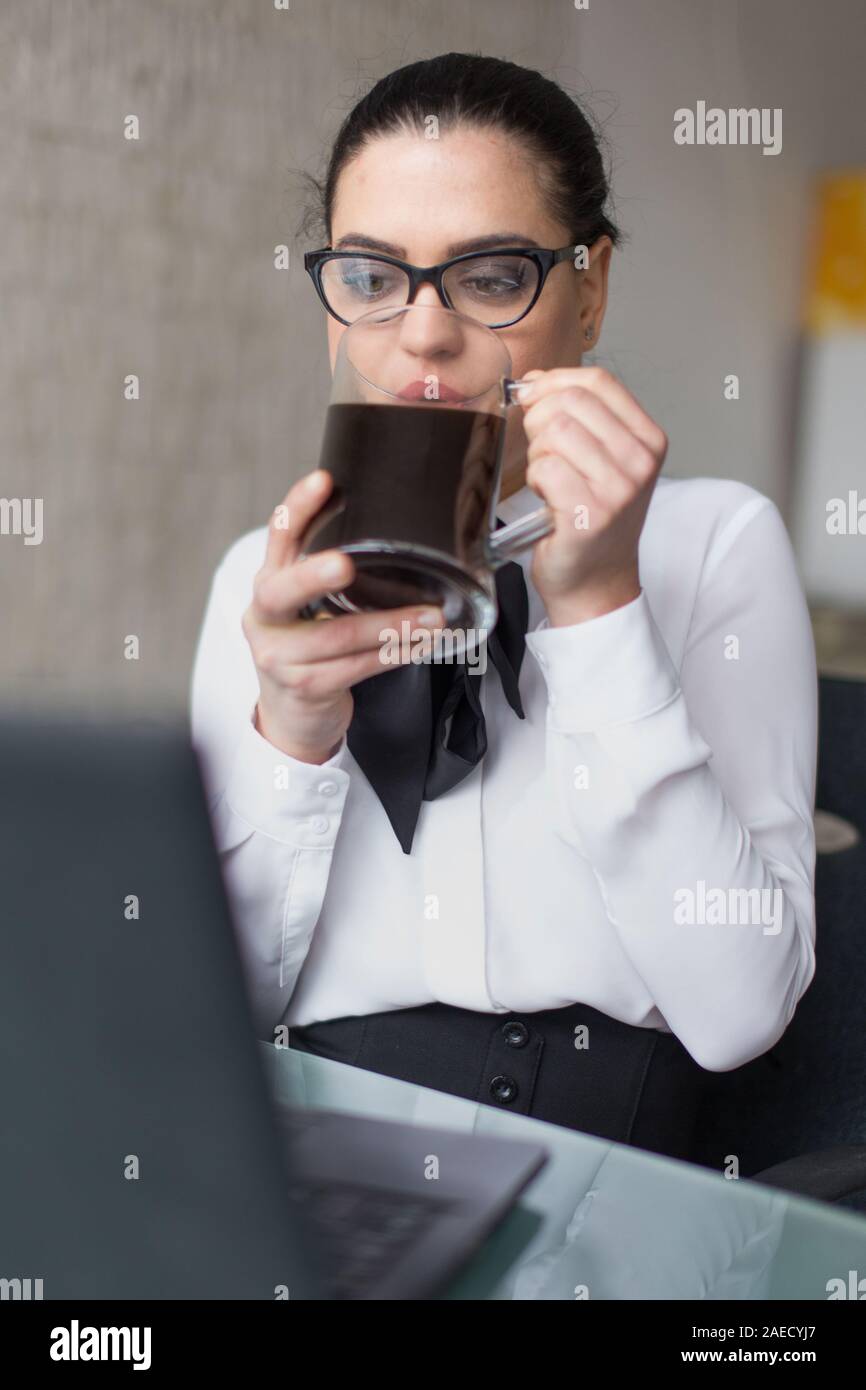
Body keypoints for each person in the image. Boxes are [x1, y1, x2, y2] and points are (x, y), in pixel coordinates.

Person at [191, 53, 817, 1162]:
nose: (422, 335)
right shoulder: (267, 579)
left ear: (590, 287)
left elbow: (736, 1014)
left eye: (487, 276)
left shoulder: (716, 543)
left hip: (614, 1199)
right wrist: (289, 735)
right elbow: (196, 1021)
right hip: (323, 1183)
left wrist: (599, 611)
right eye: (372, 278)